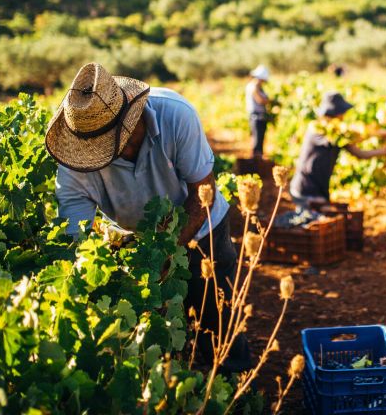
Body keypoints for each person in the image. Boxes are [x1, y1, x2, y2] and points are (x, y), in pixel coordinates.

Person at [44, 62, 252, 373]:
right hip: (134, 235)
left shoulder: (176, 115)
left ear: (135, 114)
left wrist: (167, 251)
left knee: (216, 310)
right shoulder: (76, 152)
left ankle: (235, 379)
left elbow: (202, 191)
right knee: (159, 323)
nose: (114, 154)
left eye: (117, 143)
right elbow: (78, 233)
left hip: (201, 224)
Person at [289, 91, 386, 209]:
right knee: (317, 221)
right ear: (336, 113)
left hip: (318, 190)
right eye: (342, 113)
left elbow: (360, 154)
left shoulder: (338, 135)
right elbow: (352, 135)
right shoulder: (318, 130)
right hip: (305, 190)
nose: (343, 116)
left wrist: (385, 151)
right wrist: (381, 133)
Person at [246, 65, 270, 159]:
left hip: (261, 117)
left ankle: (258, 161)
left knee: (260, 141)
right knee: (257, 141)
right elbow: (260, 100)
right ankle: (255, 164)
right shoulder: (253, 87)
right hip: (256, 117)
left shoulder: (258, 87)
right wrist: (269, 101)